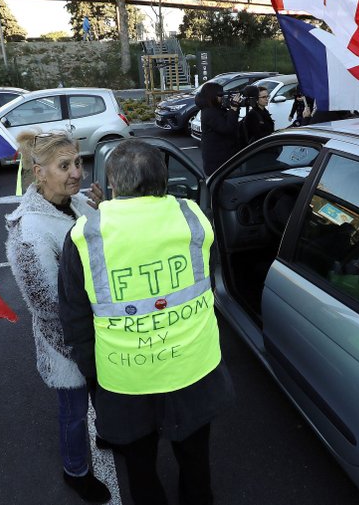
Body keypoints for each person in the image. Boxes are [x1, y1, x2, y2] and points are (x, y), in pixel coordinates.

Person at [60, 139, 234, 505]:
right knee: (195, 461)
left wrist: (93, 374)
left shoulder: (86, 234)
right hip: (194, 367)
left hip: (126, 378)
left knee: (140, 467)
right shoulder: (194, 217)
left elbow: (75, 316)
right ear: (164, 179)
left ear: (113, 185)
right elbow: (206, 281)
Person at [4, 130, 112, 504]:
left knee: (101, 398)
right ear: (39, 173)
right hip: (67, 345)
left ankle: (105, 435)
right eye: (64, 165)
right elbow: (47, 307)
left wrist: (103, 211)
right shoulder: (29, 230)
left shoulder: (78, 203)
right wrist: (79, 351)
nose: (77, 173)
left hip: (97, 332)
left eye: (78, 162)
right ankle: (76, 471)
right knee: (73, 412)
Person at [197, 81, 240, 176]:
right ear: (213, 95)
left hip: (222, 159)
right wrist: (233, 109)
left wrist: (233, 108)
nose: (222, 97)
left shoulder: (215, 109)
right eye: (220, 94)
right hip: (217, 163)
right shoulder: (209, 113)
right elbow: (227, 128)